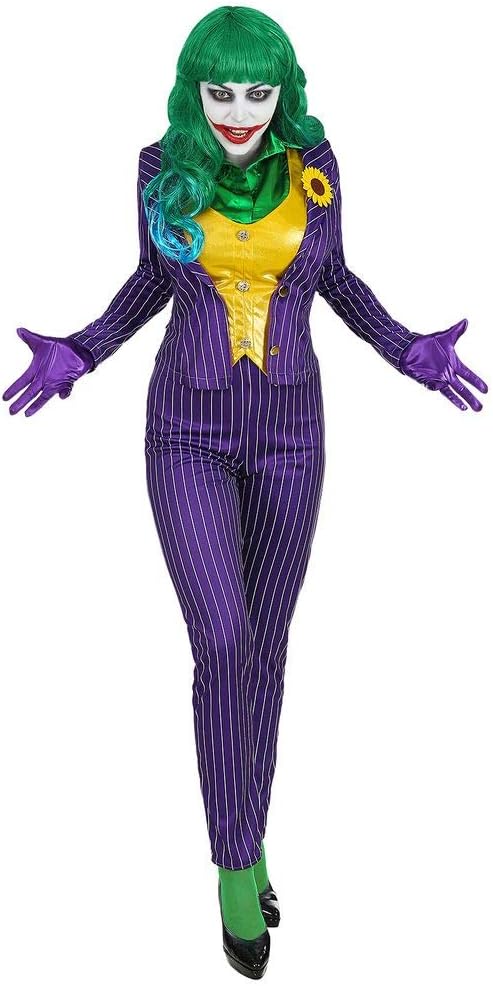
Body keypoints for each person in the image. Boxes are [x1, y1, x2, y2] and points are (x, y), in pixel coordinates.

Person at [2, 6, 488, 980]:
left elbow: (335, 279)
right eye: (218, 89)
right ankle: (234, 866)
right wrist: (83, 350)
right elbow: (151, 281)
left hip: (291, 435)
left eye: (256, 90)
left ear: (282, 92)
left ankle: (250, 836)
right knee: (222, 640)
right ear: (194, 91)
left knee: (264, 651)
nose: (236, 109)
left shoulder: (317, 167)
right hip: (186, 428)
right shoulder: (159, 166)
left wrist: (406, 350)